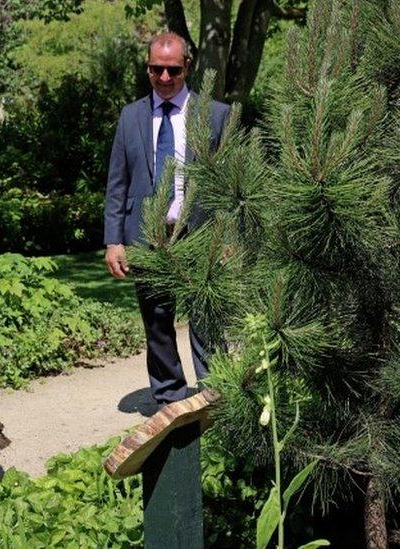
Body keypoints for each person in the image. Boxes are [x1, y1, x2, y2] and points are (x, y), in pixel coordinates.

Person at [103, 33, 231, 406]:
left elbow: (230, 185)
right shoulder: (131, 117)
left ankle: (216, 397)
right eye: (155, 69)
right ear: (147, 67)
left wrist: (229, 237)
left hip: (201, 233)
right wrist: (114, 240)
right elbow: (117, 184)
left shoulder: (216, 115)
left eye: (172, 69)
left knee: (207, 321)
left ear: (187, 66)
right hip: (147, 237)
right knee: (157, 323)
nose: (163, 77)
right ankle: (169, 400)